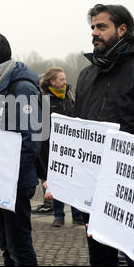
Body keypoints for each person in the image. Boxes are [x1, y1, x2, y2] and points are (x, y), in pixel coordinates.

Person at [73, 4, 134, 266]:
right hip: (93, 182)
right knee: (98, 253)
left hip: (131, 182)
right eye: (93, 28)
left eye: (101, 27)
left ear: (122, 29)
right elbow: (78, 127)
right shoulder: (87, 74)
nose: (94, 33)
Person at [0, 32, 41, 266]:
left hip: (15, 183)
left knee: (20, 249)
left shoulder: (22, 88)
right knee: (5, 246)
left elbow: (31, 140)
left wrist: (5, 180)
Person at [37, 67, 85, 227]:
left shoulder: (69, 96)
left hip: (72, 146)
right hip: (53, 147)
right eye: (62, 79)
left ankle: (77, 214)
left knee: (75, 181)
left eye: (65, 79)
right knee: (57, 181)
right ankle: (59, 215)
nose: (65, 82)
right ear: (52, 82)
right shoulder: (44, 100)